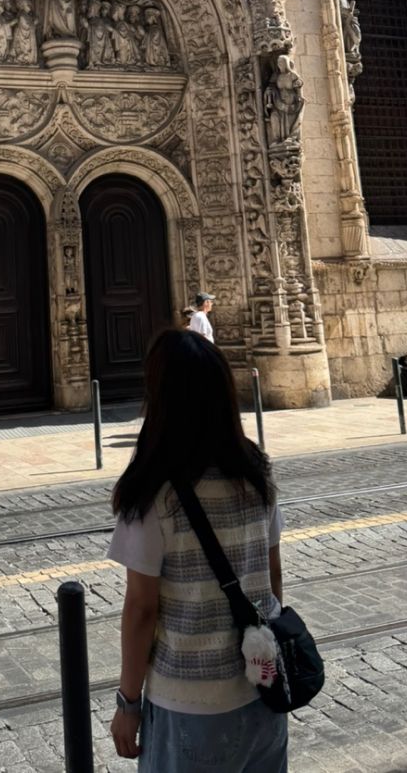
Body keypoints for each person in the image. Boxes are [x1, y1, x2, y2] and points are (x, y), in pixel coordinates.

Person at [109, 330, 287, 771]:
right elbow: (273, 577)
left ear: (159, 398)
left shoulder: (153, 492)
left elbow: (142, 610)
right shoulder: (256, 473)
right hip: (262, 691)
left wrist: (128, 703)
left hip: (189, 704)